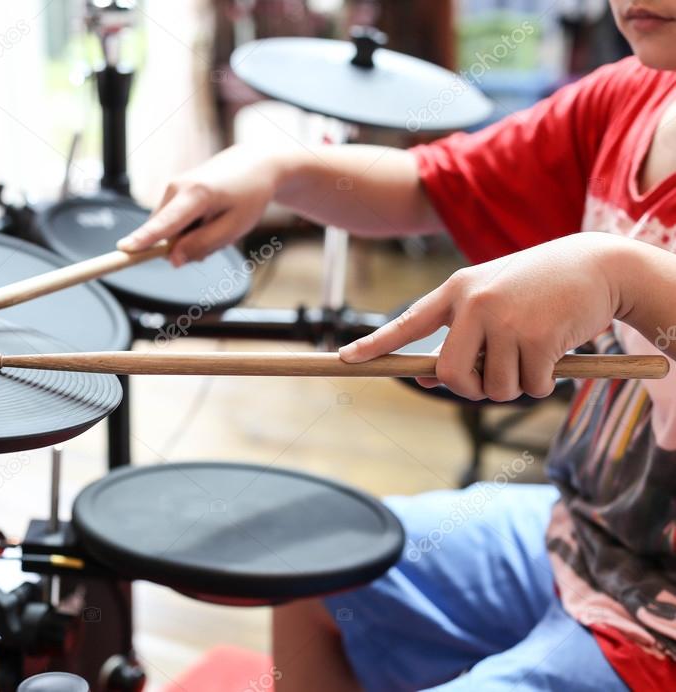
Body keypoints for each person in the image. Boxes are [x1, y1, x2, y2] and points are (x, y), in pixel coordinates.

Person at [117, 1, 676, 689]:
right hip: (582, 532)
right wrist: (279, 170)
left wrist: (620, 273)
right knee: (313, 567)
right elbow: (431, 184)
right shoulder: (630, 96)